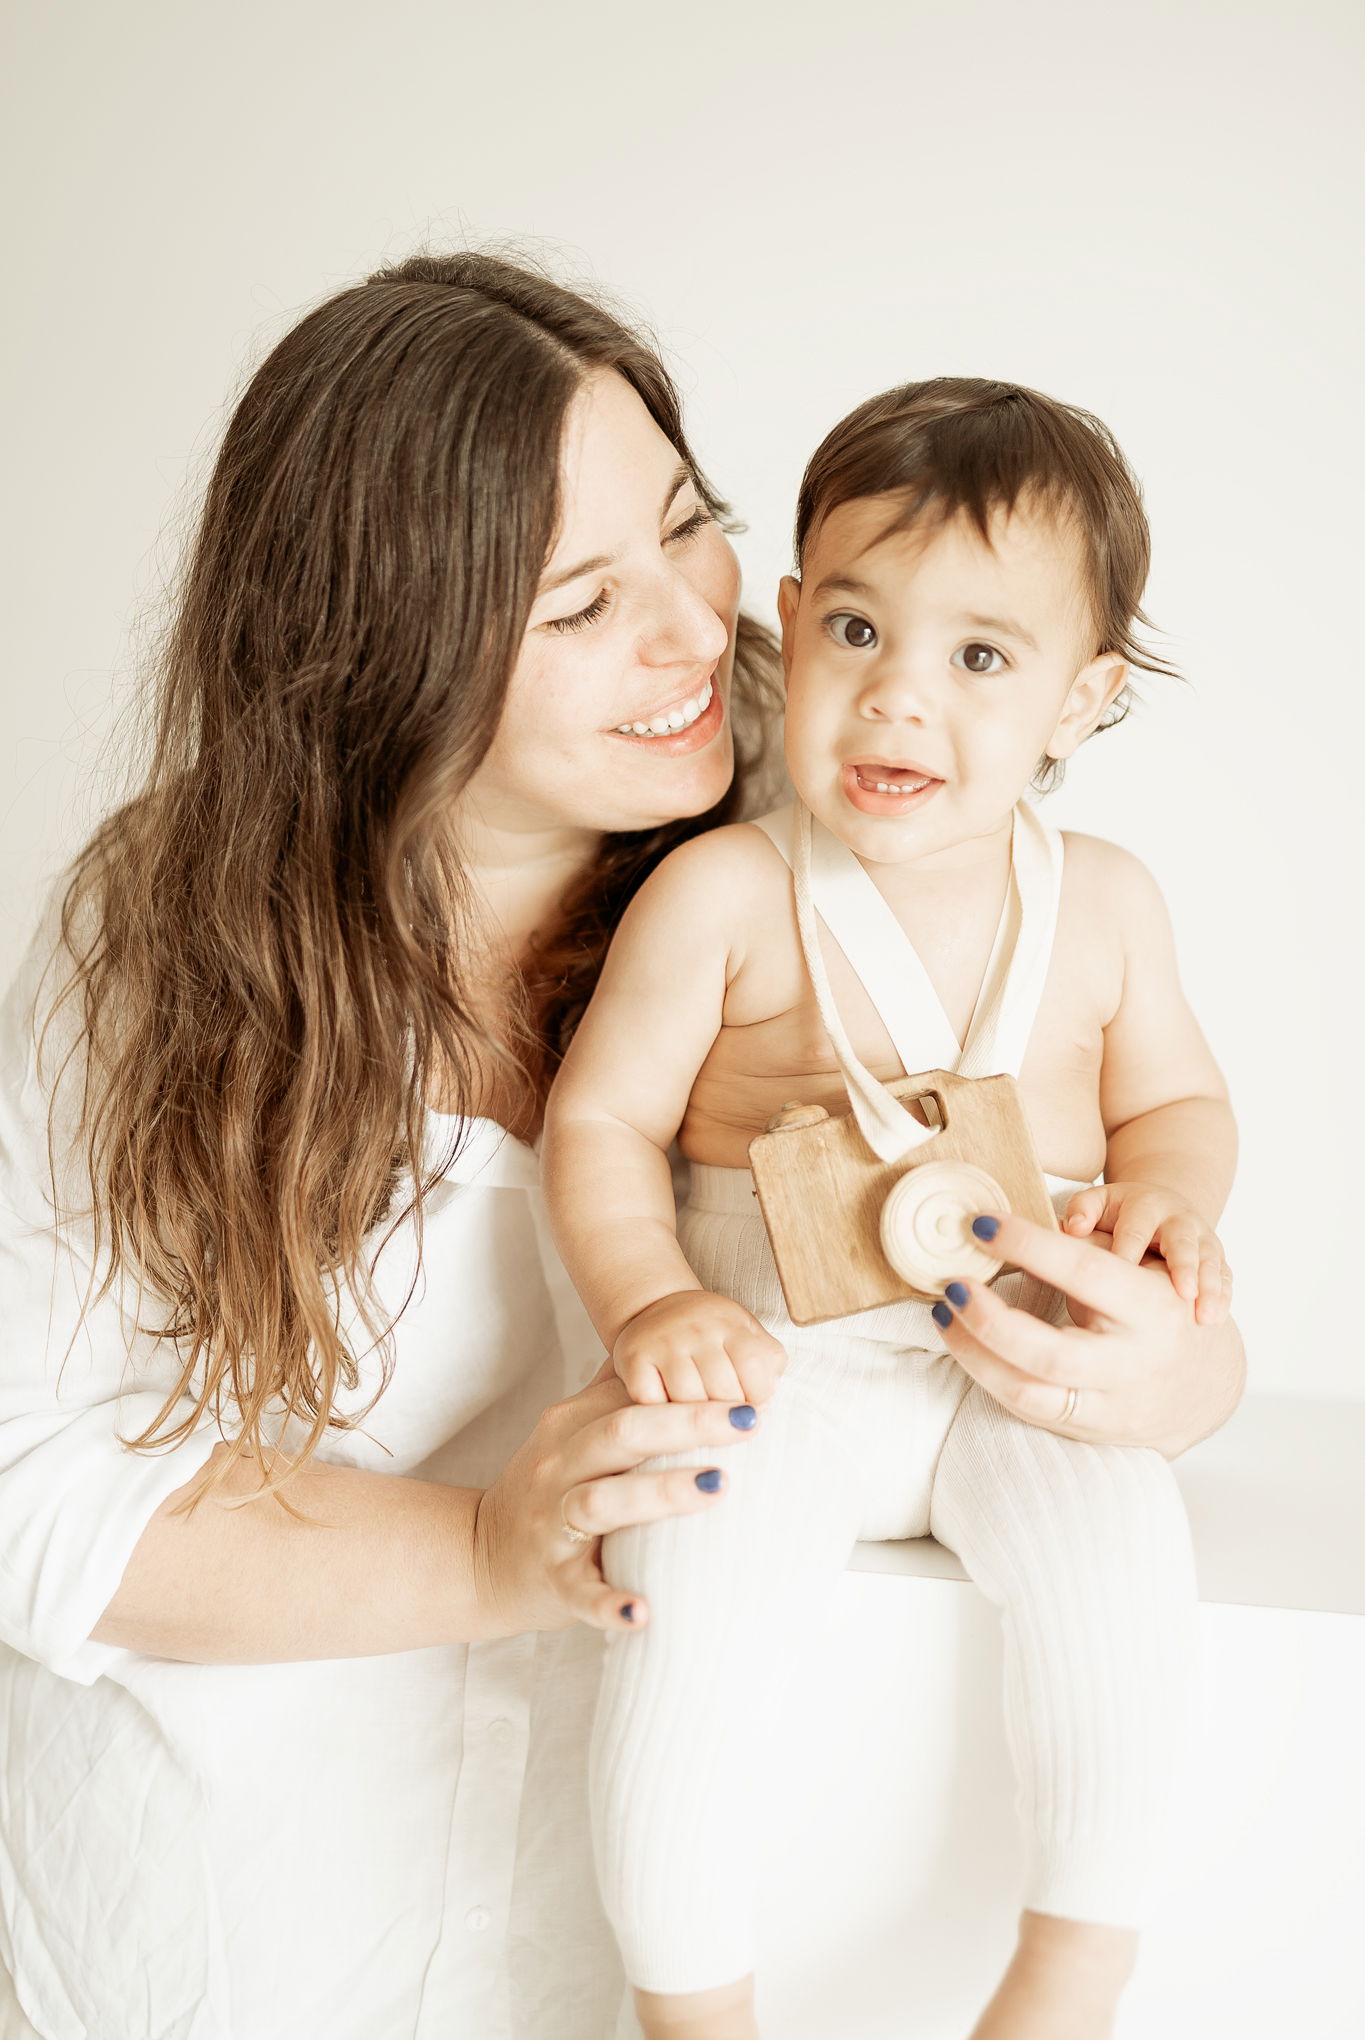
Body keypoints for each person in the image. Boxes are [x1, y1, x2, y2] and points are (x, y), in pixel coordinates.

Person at [0, 253, 1243, 2040]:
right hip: (227, 1951)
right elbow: (28, 1491)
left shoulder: (841, 814)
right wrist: (485, 1555)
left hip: (587, 1974)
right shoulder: (167, 950)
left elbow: (1090, 1174)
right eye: (580, 603)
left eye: (688, 528)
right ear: (382, 647)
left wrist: (1166, 1373)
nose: (690, 632)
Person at [544, 377, 1238, 2040]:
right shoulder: (725, 890)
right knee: (687, 1614)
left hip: (1017, 1360)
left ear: (1082, 697)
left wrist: (1166, 1200)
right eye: (856, 630)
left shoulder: (1106, 905)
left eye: (979, 657)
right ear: (790, 624)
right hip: (775, 1357)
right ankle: (689, 2007)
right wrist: (650, 1299)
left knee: (1125, 1583)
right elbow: (601, 1120)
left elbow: (1178, 1105)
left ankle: (1068, 1973)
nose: (897, 697)